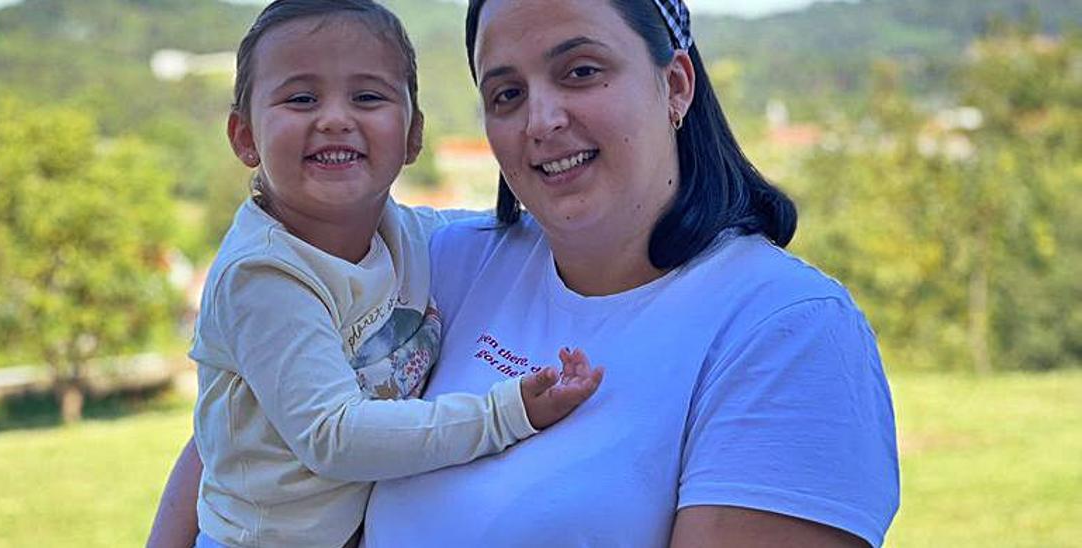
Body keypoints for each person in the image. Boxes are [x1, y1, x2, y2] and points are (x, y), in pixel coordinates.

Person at [152, 0, 900, 546]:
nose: (541, 119)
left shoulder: (784, 331)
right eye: (506, 93)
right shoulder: (444, 261)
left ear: (674, 86)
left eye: (580, 71)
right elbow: (247, 415)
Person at [176, 1, 605, 547]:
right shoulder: (262, 275)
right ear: (244, 137)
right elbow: (334, 437)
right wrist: (506, 413)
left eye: (368, 97)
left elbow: (505, 228)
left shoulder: (404, 234)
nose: (335, 118)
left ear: (412, 135)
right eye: (301, 97)